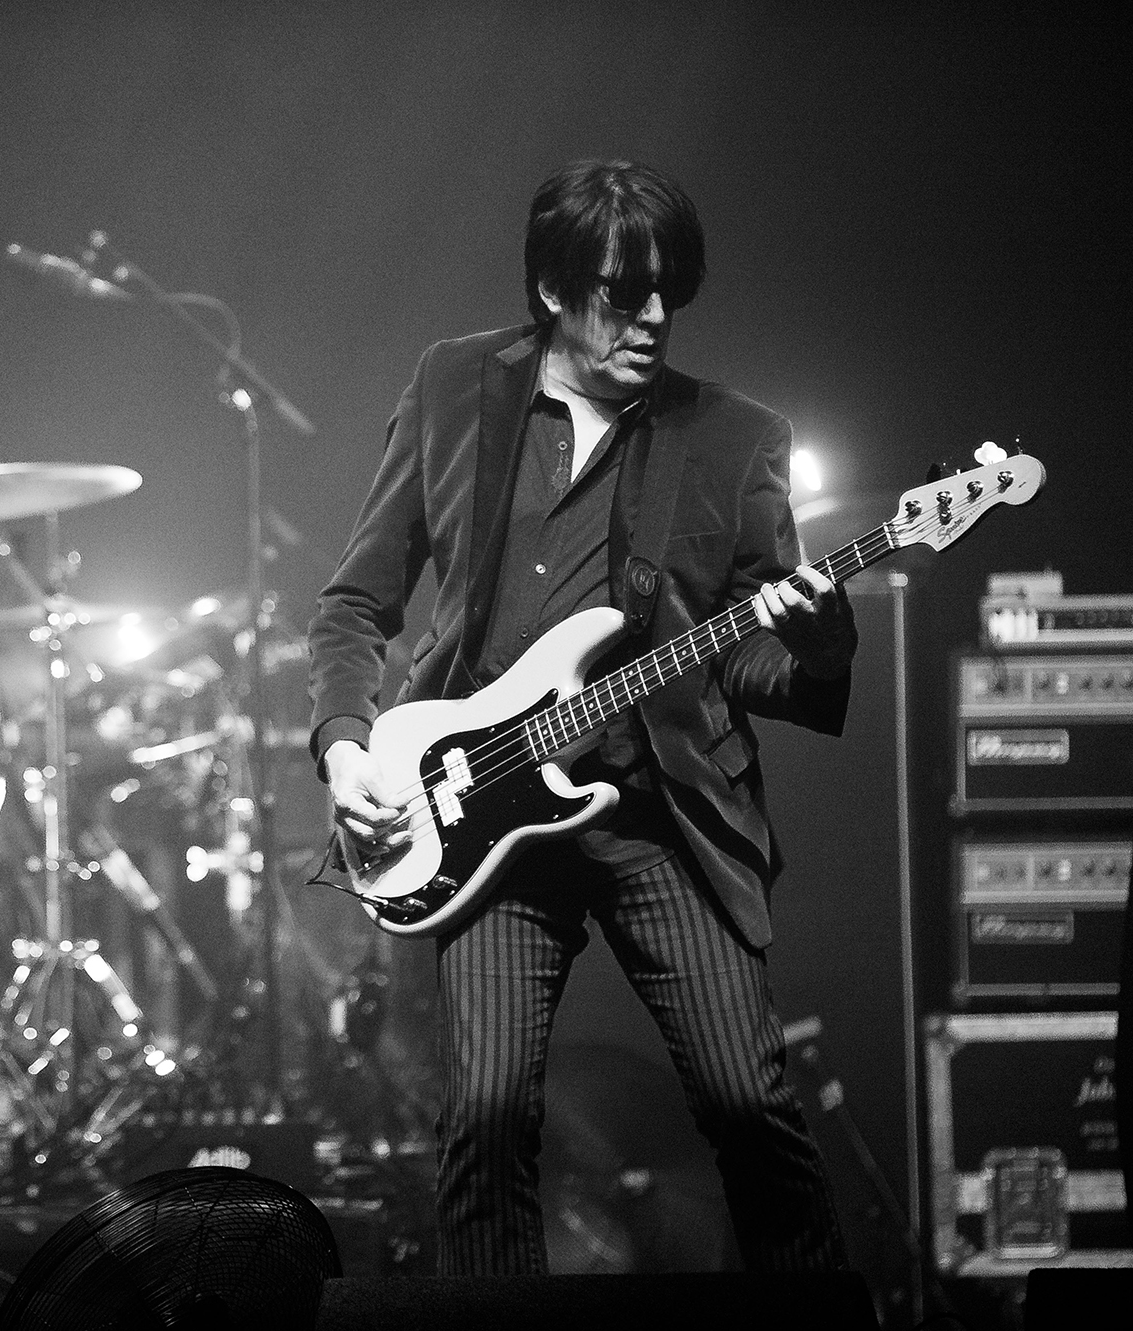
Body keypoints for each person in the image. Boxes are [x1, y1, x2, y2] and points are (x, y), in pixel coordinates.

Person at [307, 159, 858, 1274]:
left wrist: (820, 645)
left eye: (669, 292)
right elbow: (356, 603)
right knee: (483, 1117)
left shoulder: (733, 436)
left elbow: (752, 665)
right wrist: (344, 746)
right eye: (623, 292)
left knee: (748, 1105)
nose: (652, 317)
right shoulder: (454, 386)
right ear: (554, 288)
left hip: (661, 815)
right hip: (473, 809)